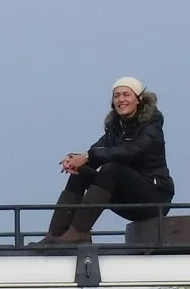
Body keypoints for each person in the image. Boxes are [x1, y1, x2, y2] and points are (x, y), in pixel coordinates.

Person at [37, 77, 175, 245]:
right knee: (81, 172)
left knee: (112, 168)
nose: (121, 100)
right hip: (127, 197)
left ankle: (80, 231)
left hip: (154, 198)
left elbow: (133, 151)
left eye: (126, 95)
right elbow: (97, 151)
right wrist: (75, 160)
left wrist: (88, 156)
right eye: (116, 96)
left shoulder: (151, 124)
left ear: (138, 99)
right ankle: (56, 233)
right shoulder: (115, 126)